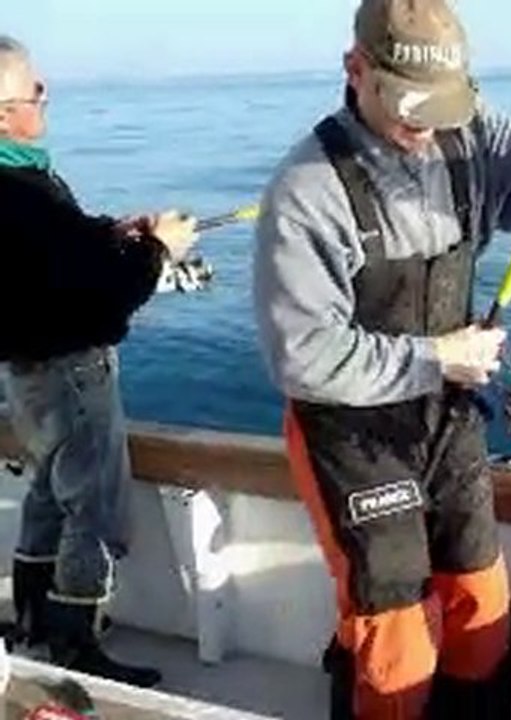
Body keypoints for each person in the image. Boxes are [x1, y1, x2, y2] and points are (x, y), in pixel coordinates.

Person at [252, 0, 511, 717]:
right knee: (394, 634)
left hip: (448, 416)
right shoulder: (307, 191)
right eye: (410, 107)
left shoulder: (472, 133)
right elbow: (301, 354)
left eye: (440, 106)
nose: (427, 127)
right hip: (350, 434)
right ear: (356, 70)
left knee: (481, 607)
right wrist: (436, 357)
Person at [0, 36, 198, 687]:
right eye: (35, 90)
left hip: (26, 374)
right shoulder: (23, 192)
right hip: (72, 372)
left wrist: (111, 233)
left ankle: (33, 622)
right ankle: (75, 643)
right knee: (94, 509)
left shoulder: (20, 184)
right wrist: (157, 251)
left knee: (48, 493)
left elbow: (52, 259)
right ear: (4, 113)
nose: (45, 96)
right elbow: (100, 295)